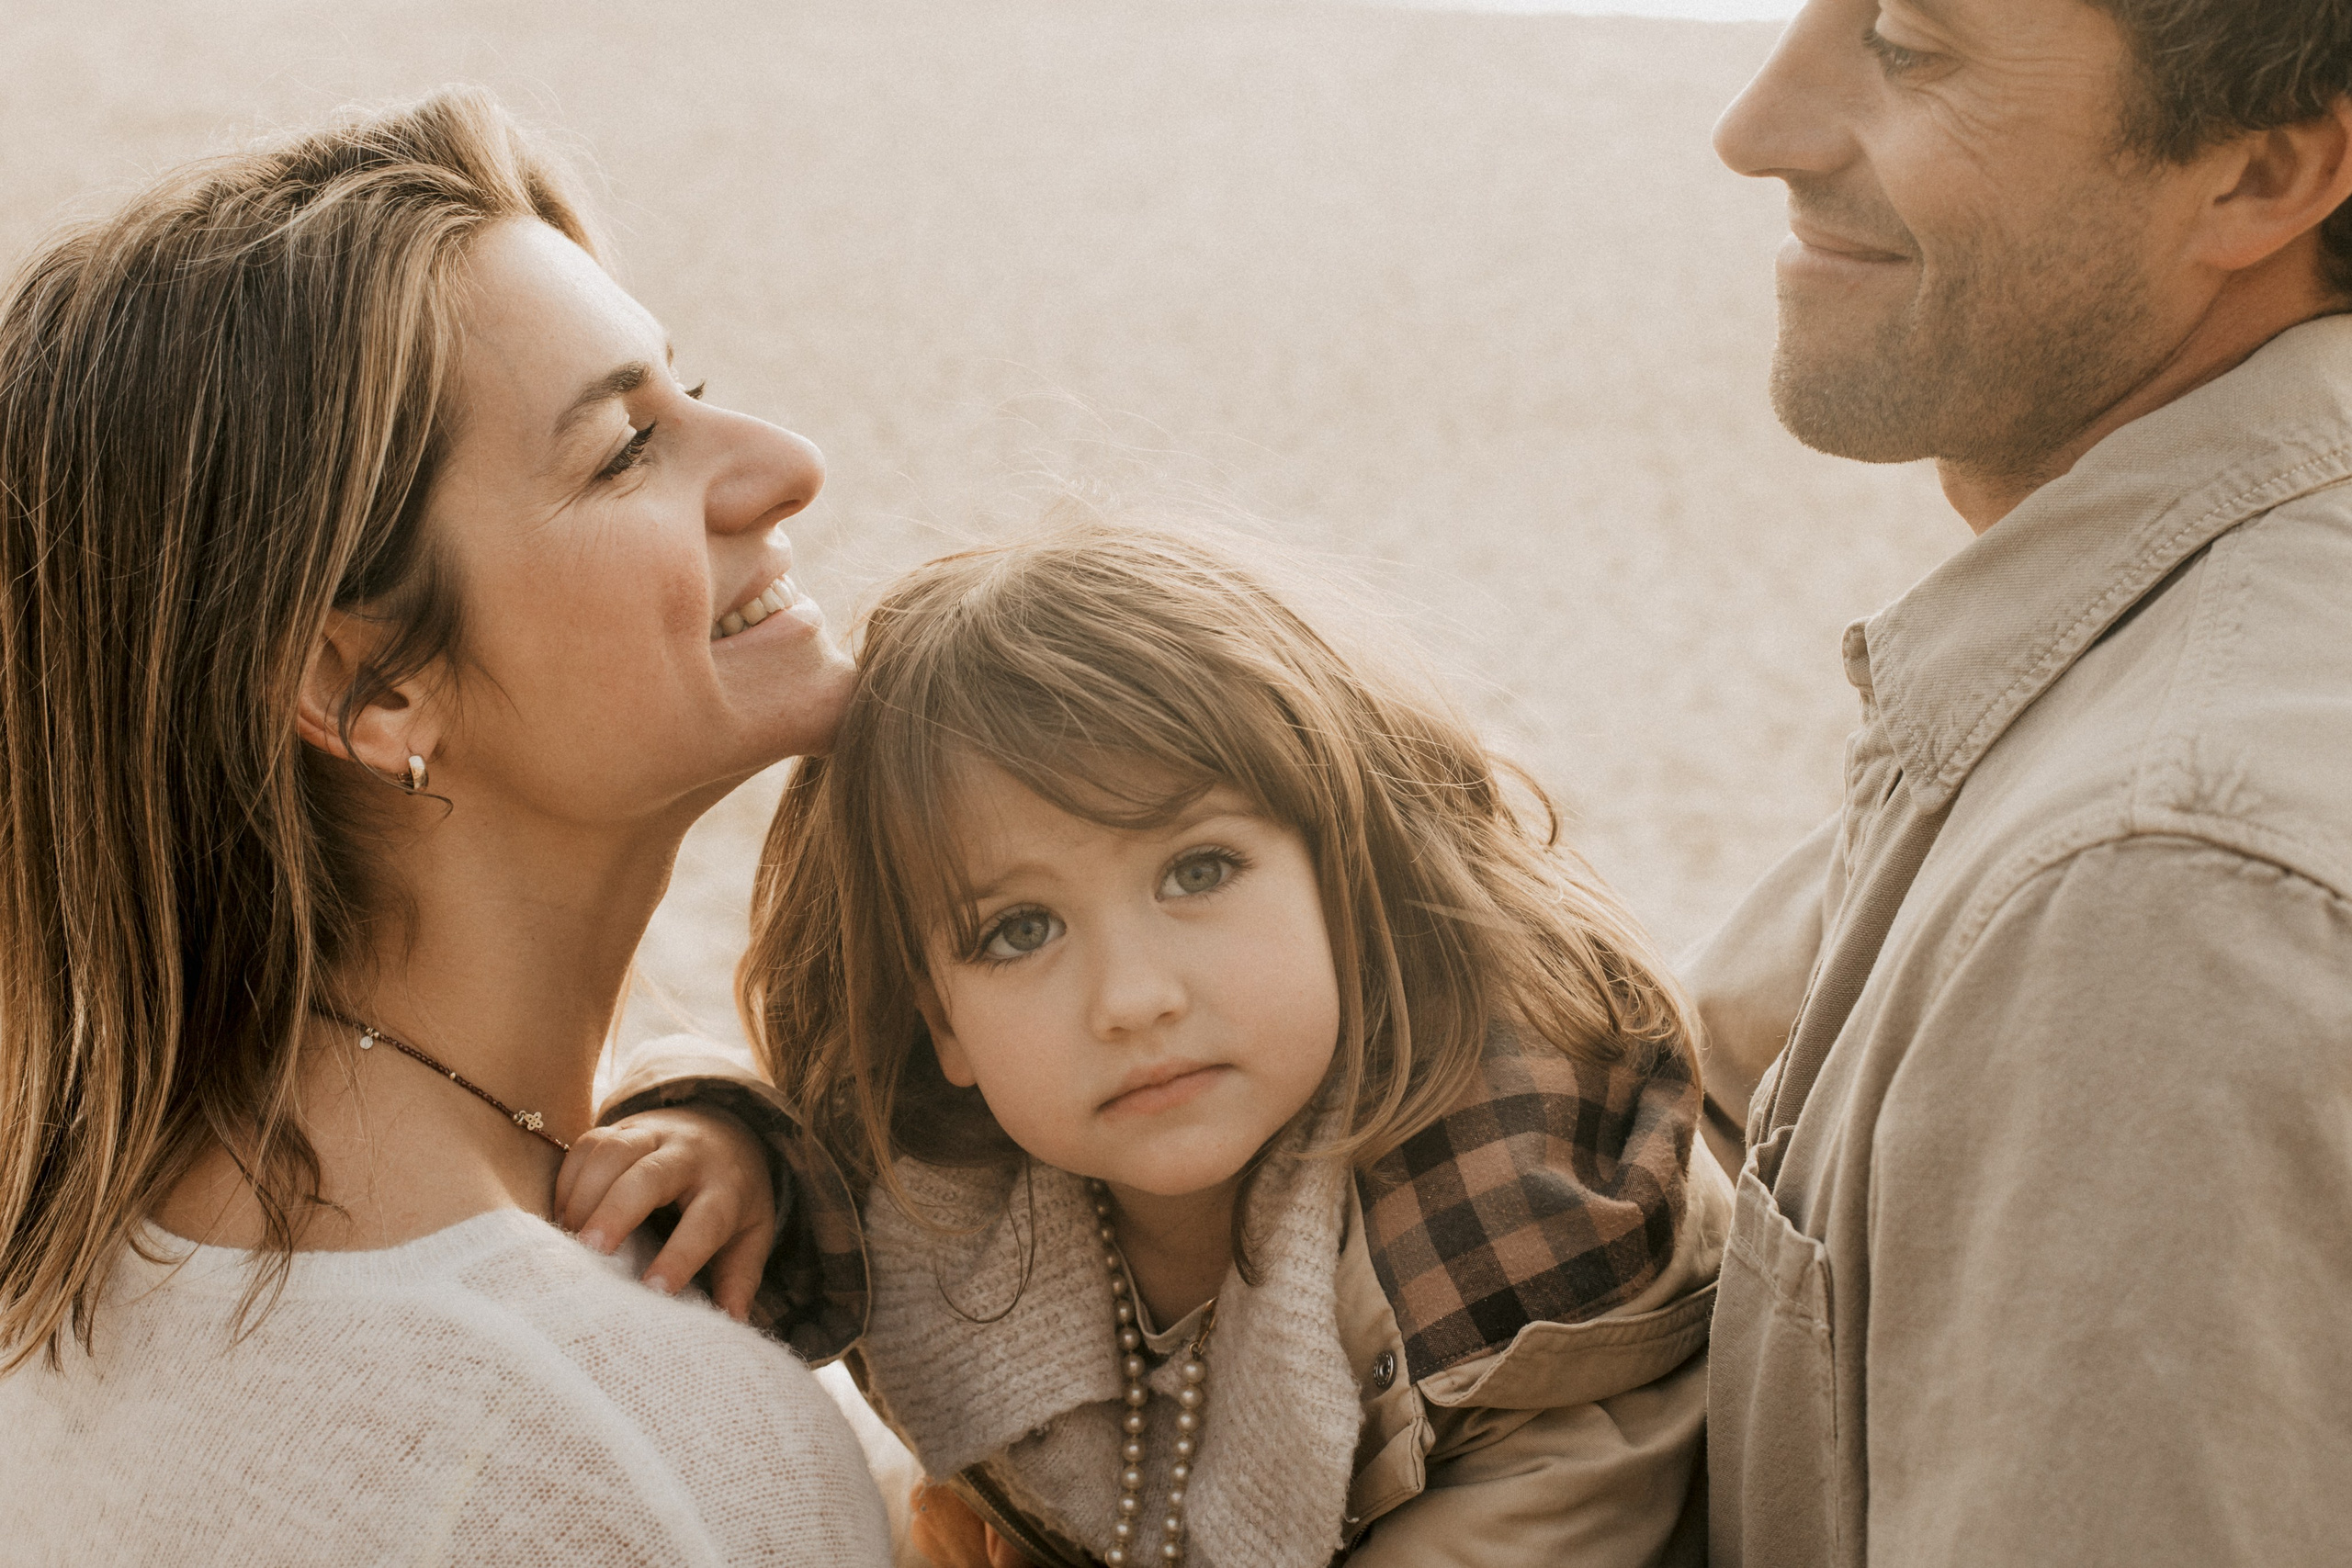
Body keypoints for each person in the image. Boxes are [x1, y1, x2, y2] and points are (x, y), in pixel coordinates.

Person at [0, 88, 889, 1564]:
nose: (784, 460)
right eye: (624, 449)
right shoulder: (638, 1446)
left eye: (690, 390)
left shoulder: (73, 1302)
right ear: (368, 684)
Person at [564, 524, 1730, 1568]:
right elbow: (811, 1124)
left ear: (1348, 878)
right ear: (940, 1019)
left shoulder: (1518, 1221)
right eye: (1019, 932)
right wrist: (724, 1132)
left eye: (1199, 871)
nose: (1129, 998)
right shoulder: (947, 1199)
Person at [1691, 2, 2352, 1562]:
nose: (1756, 127)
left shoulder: (2160, 886)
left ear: (2261, 173)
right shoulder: (2133, 680)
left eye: (1910, 44)